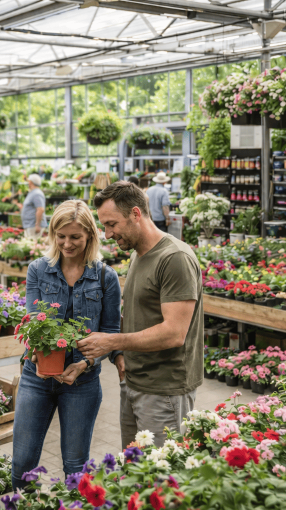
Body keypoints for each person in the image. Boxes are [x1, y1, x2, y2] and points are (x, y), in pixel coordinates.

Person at [79, 181, 203, 448]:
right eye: (104, 226)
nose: (108, 234)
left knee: (161, 479)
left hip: (164, 390)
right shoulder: (138, 254)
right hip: (135, 383)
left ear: (136, 214)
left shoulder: (175, 258)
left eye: (112, 224)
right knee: (135, 471)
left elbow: (174, 333)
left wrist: (112, 342)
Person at [12, 200, 121, 490]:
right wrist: (36, 349)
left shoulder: (105, 277)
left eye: (75, 237)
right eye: (61, 236)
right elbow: (34, 317)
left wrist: (85, 363)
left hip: (82, 383)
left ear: (90, 236)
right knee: (22, 463)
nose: (67, 243)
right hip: (36, 378)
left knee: (75, 466)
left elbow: (111, 331)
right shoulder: (38, 269)